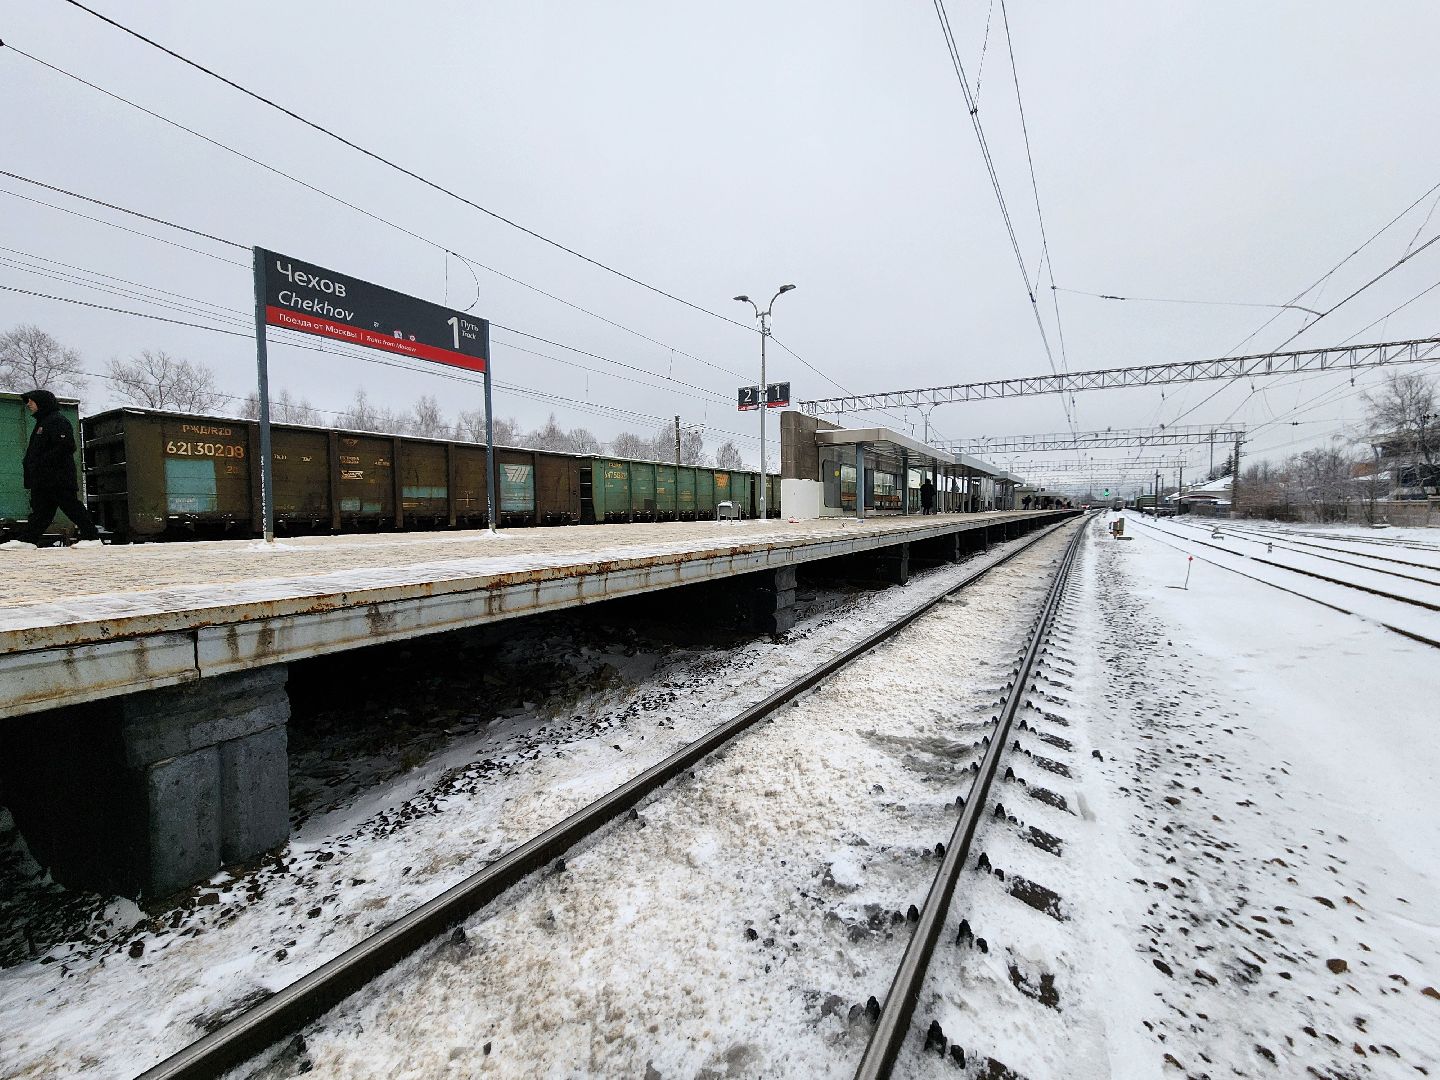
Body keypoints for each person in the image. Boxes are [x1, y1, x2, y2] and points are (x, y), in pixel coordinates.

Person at [0, 390, 102, 550]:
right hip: (44, 479)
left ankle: (92, 537)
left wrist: (42, 463)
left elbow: (66, 446)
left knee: (71, 506)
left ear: (42, 403)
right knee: (41, 512)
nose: (28, 404)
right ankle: (28, 540)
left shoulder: (56, 421)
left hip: (57, 477)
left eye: (31, 401)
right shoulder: (43, 422)